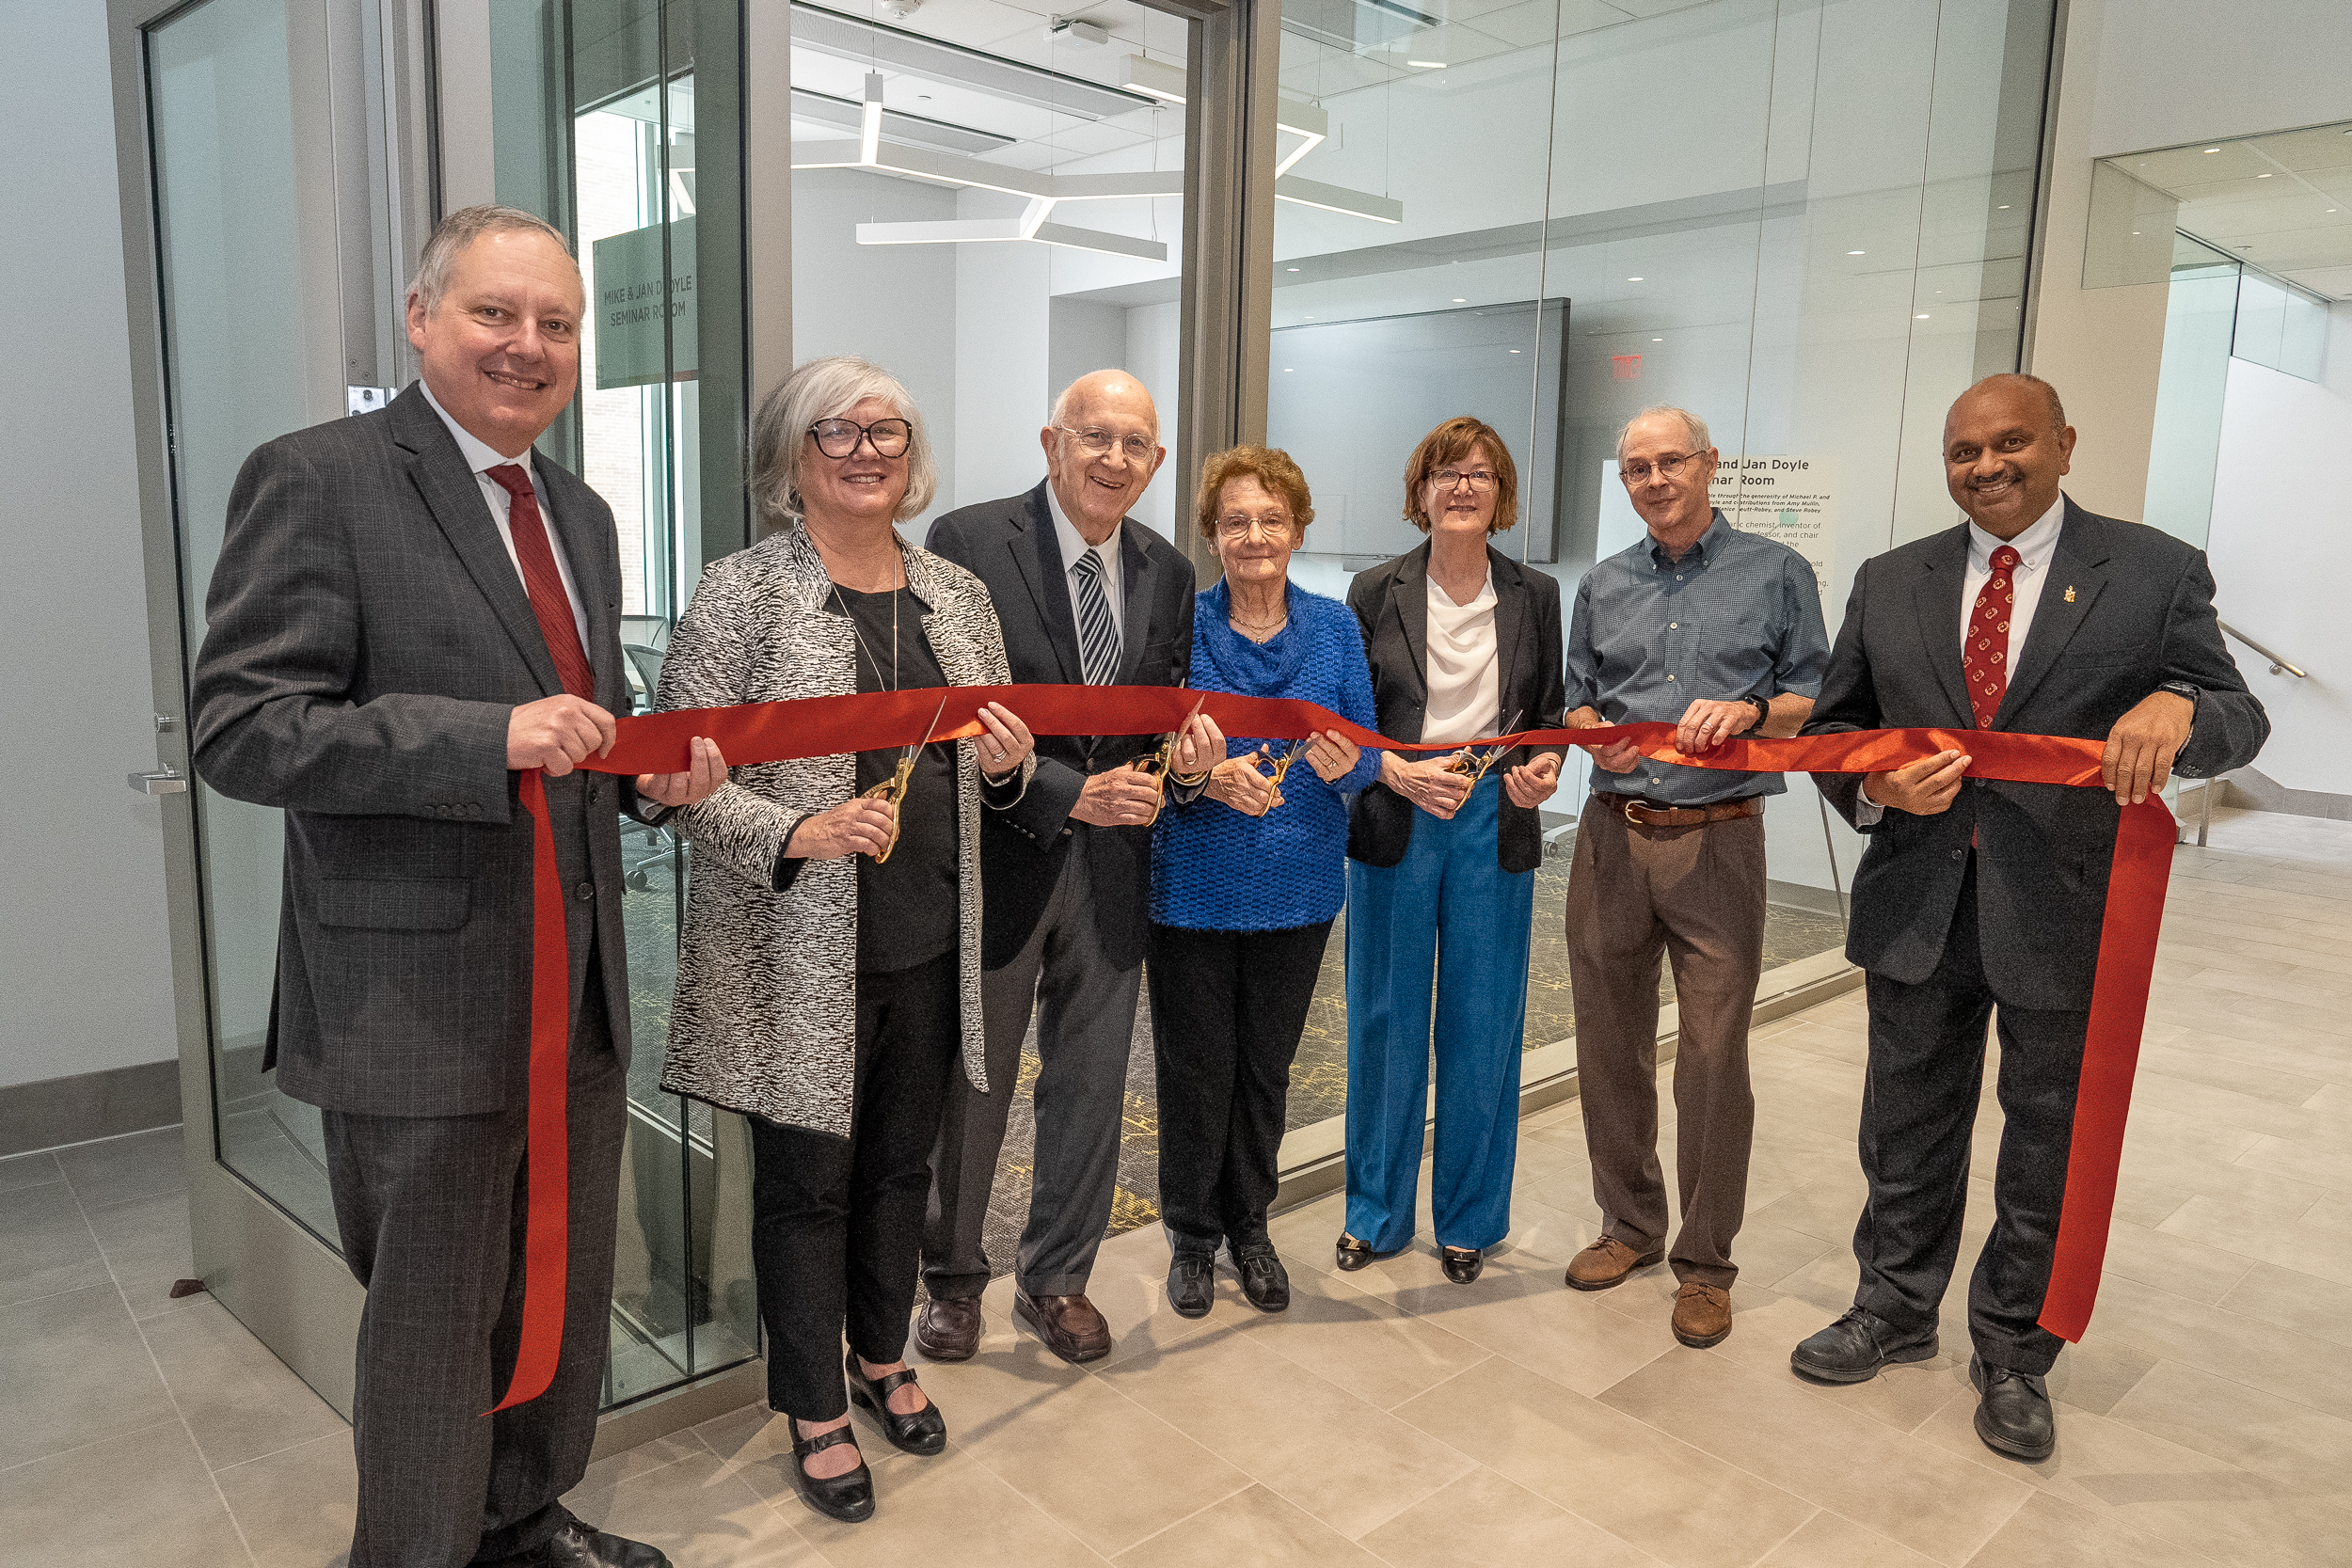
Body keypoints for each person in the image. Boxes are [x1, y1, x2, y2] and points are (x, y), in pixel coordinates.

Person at [190, 205, 725, 1568]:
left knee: (557, 1289)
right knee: (434, 1325)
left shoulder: (582, 513)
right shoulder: (317, 478)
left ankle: (521, 1521)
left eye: (556, 323)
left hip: (579, 992)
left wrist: (646, 777)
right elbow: (243, 729)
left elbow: (574, 733)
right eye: (495, 312)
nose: (527, 345)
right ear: (422, 317)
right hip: (416, 1007)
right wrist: (483, 737)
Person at [1790, 372, 2267, 1462]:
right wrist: (1871, 784)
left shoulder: (2152, 571)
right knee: (1903, 1122)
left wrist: (2182, 706)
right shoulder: (1890, 577)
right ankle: (1892, 1306)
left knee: (2046, 1134)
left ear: (2062, 442)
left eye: (2009, 443)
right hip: (1915, 898)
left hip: (2064, 903)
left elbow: (2240, 712)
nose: (1985, 467)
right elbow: (1833, 730)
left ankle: (2015, 1348)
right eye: (1963, 452)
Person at [653, 357, 1038, 1523]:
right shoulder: (739, 593)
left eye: (888, 431)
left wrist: (1011, 768)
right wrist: (795, 829)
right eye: (838, 430)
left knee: (900, 1170)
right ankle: (814, 1403)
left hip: (929, 940)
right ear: (792, 452)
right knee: (807, 1188)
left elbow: (993, 764)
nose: (867, 451)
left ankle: (880, 1352)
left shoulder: (957, 595)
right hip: (795, 954)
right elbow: (670, 780)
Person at [914, 371, 1197, 1366]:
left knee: (1091, 1082)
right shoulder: (968, 541)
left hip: (1117, 866)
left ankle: (1058, 1276)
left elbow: (1159, 715)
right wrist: (1067, 792)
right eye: (1095, 436)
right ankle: (952, 1279)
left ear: (1156, 461)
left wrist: (1176, 768)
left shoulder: (1169, 569)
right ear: (1052, 441)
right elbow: (950, 711)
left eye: (1134, 444)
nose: (1114, 459)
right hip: (1003, 854)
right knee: (974, 1082)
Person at [1557, 406, 1831, 1350]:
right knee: (1608, 1044)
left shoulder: (1777, 572)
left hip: (1720, 839)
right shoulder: (1602, 583)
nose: (1655, 479)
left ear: (1710, 464)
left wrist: (1752, 708)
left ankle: (1706, 1261)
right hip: (1610, 835)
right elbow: (1576, 697)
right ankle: (1629, 1224)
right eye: (1637, 468)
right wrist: (1587, 728)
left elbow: (1813, 696)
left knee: (1713, 1058)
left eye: (1671, 461)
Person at [1146, 446, 1378, 1318]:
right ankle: (1191, 1234)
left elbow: (1367, 756)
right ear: (1212, 535)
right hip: (1191, 885)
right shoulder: (1180, 626)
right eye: (1236, 520)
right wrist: (1202, 777)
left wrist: (1350, 764)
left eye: (1271, 519)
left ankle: (1251, 1226)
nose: (1254, 535)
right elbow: (1150, 752)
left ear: (1298, 530)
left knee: (1265, 1069)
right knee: (1195, 1069)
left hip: (1299, 885)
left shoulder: (1336, 628)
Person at [1340, 415, 1568, 1285]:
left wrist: (1545, 766)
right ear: (1421, 491)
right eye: (1446, 472)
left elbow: (1549, 713)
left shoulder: (1536, 593)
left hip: (1492, 817)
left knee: (1483, 1021)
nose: (1463, 486)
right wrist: (1395, 772)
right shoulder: (1374, 589)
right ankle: (1376, 1212)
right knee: (1384, 1019)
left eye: (1480, 473)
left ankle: (1469, 1218)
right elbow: (1349, 716)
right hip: (1398, 809)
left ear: (1500, 493)